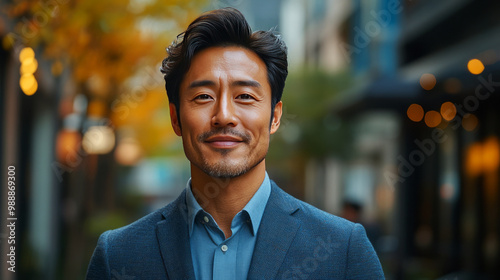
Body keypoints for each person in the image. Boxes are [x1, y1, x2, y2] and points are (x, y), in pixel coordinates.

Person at [86, 7, 384, 280]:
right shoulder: (119, 256)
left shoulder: (343, 250)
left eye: (245, 96)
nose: (224, 116)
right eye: (203, 96)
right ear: (176, 118)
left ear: (275, 117)